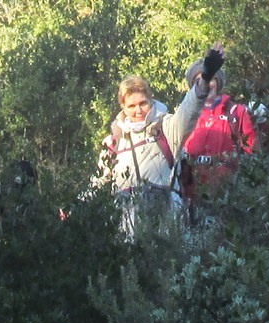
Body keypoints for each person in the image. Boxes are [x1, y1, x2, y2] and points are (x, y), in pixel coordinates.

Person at [98, 43, 225, 235]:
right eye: (131, 106)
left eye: (143, 103)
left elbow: (188, 111)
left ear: (151, 100)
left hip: (166, 225)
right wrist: (73, 207)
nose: (138, 110)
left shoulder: (167, 128)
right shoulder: (114, 142)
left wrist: (204, 80)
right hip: (127, 229)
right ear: (122, 107)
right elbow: (99, 181)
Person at [178, 59, 257, 219]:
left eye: (210, 79)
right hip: (192, 196)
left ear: (218, 82)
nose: (206, 84)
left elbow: (252, 151)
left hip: (227, 194)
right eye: (198, 81)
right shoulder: (186, 116)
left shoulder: (236, 112)